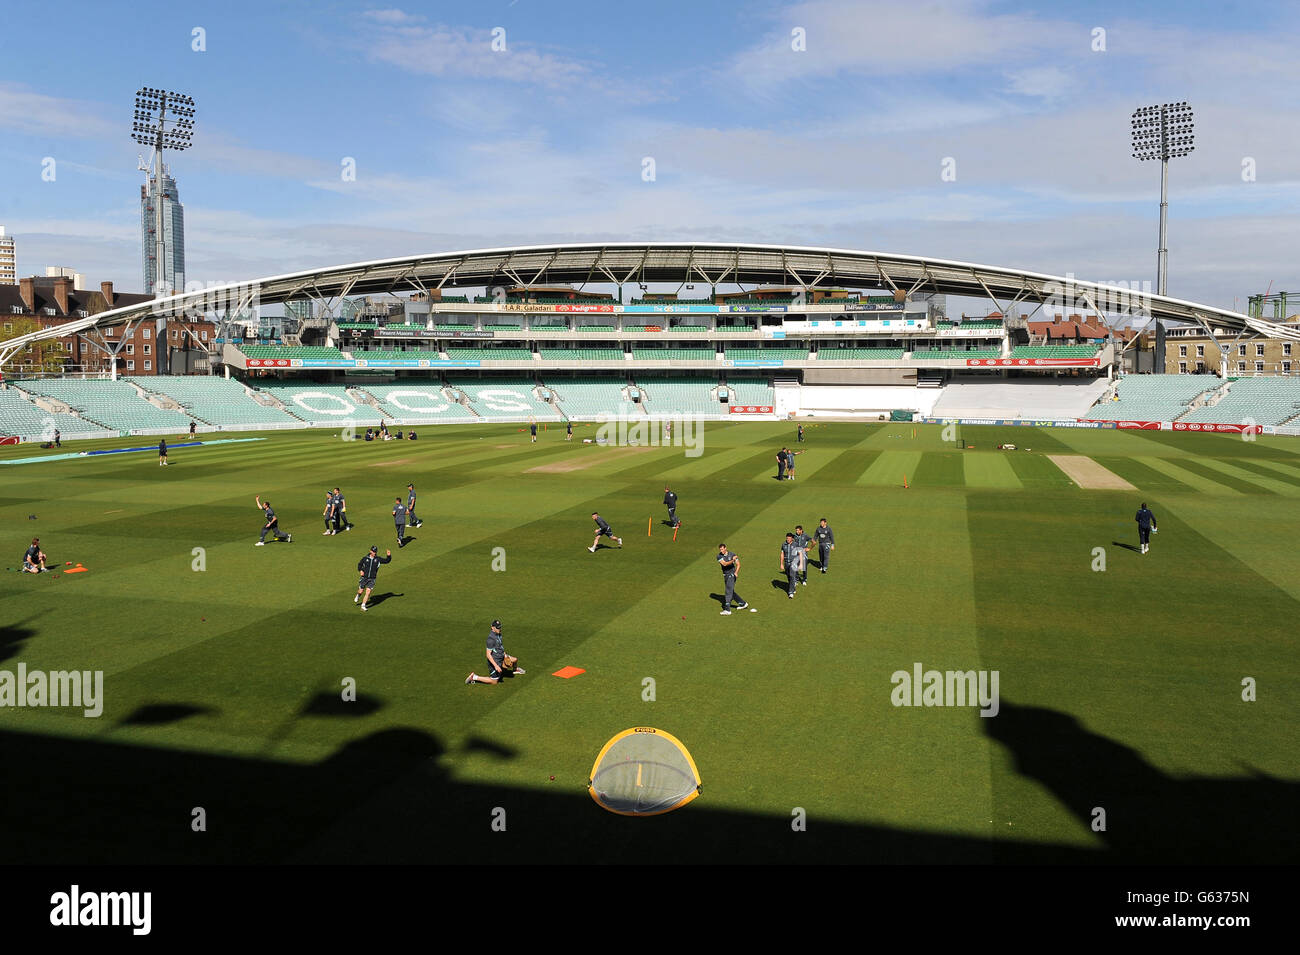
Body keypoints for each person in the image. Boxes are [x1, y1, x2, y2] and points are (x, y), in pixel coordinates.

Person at [466, 619, 526, 685]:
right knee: (494, 682)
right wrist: (496, 666)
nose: (499, 629)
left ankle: (515, 670)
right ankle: (474, 677)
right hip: (495, 661)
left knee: (515, 660)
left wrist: (505, 654)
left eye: (500, 627)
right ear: (492, 627)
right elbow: (488, 655)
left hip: (501, 656)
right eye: (498, 628)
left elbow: (500, 646)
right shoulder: (490, 640)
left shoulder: (499, 634)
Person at [355, 545, 391, 611]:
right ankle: (358, 595)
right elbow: (359, 564)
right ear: (370, 551)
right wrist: (360, 570)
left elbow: (387, 561)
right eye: (373, 551)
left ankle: (363, 605)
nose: (374, 553)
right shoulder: (365, 558)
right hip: (364, 577)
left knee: (368, 592)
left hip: (372, 578)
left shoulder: (378, 559)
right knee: (361, 591)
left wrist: (388, 556)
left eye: (375, 551)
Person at [716, 543, 748, 615]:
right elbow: (724, 564)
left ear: (725, 548)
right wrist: (732, 560)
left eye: (722, 549)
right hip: (726, 575)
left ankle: (727, 610)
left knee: (728, 591)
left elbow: (738, 564)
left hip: (732, 574)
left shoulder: (732, 554)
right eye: (720, 549)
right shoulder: (719, 556)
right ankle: (743, 604)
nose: (721, 551)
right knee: (731, 591)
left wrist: (736, 572)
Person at [780, 532, 801, 598]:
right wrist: (781, 564)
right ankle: (793, 588)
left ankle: (790, 592)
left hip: (793, 563)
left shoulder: (796, 545)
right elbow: (782, 554)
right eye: (787, 538)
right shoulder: (784, 544)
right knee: (789, 577)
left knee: (792, 576)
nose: (788, 539)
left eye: (789, 538)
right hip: (786, 563)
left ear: (792, 538)